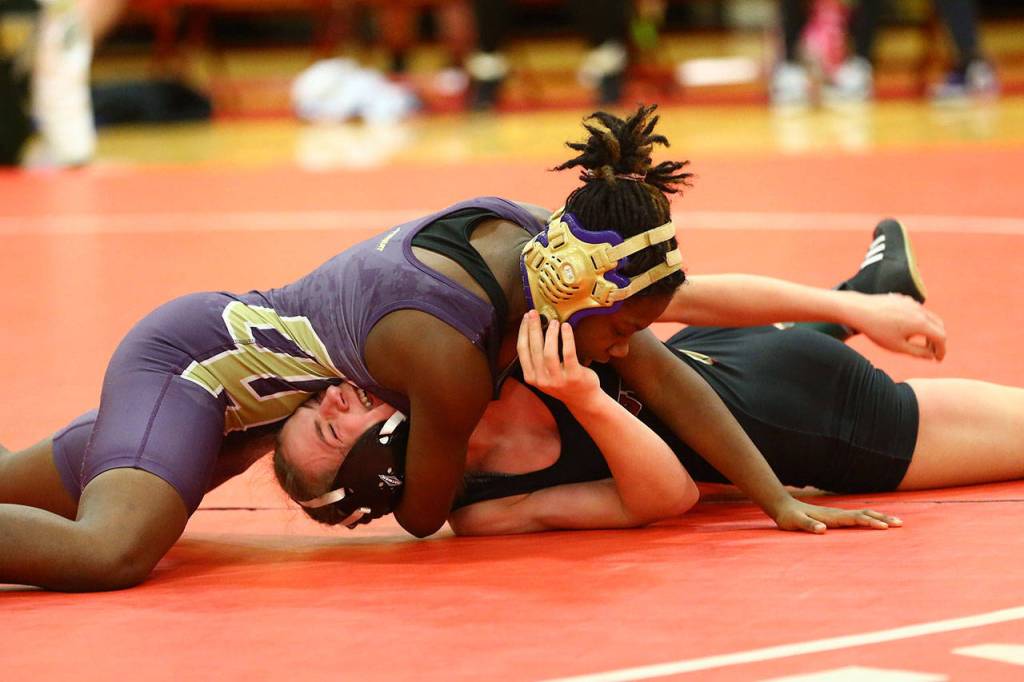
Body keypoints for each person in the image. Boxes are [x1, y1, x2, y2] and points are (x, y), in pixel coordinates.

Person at [0, 105, 912, 590]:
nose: (628, 347)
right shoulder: (446, 353)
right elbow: (422, 513)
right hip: (197, 372)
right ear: (581, 292)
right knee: (110, 553)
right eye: (626, 328)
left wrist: (776, 503)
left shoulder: (531, 244)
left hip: (234, 397)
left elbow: (667, 378)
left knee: (25, 481)